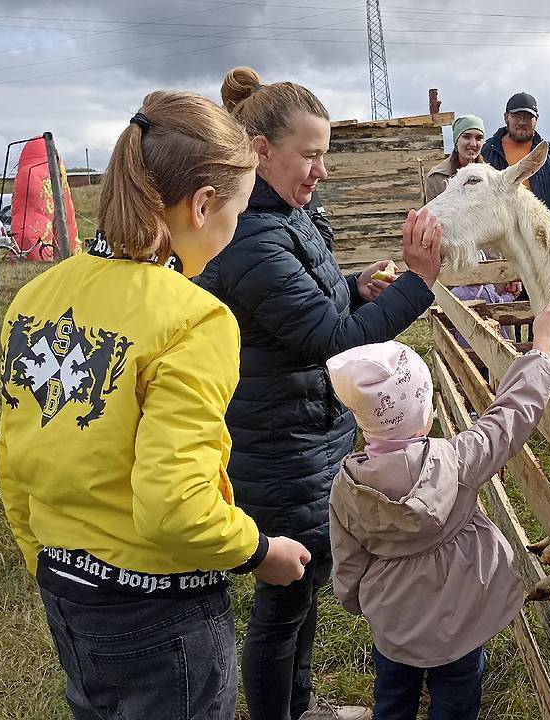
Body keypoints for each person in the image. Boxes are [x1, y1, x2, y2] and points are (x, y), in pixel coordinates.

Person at [0, 91, 314, 720]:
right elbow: (173, 506)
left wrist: (48, 563)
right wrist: (260, 552)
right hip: (163, 615)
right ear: (201, 205)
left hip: (68, 591)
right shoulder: (194, 318)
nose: (230, 236)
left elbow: (14, 460)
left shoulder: (36, 298)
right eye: (237, 214)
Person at [196, 67, 442, 720]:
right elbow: (330, 338)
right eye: (310, 155)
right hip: (276, 447)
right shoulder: (251, 234)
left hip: (306, 433)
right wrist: (420, 281)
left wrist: (357, 284)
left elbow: (317, 301)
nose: (321, 172)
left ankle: (300, 706)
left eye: (324, 155)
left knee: (302, 590)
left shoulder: (283, 215)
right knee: (282, 605)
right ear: (259, 152)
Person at [326, 302, 550, 720]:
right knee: (457, 703)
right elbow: (508, 418)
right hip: (460, 623)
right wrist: (541, 346)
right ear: (426, 415)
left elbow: (347, 564)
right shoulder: (457, 462)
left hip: (394, 629)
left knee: (392, 702)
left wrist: (361, 603)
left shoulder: (347, 489)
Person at [427, 115, 521, 337]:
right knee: (458, 329)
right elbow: (434, 225)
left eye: (479, 137)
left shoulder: (494, 177)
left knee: (497, 323)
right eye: (467, 136)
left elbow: (506, 225)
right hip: (454, 265)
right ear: (456, 140)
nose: (473, 143)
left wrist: (509, 272)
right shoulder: (438, 177)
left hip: (490, 264)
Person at [481, 92, 550, 243]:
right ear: (505, 117)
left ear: (537, 119)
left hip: (546, 242)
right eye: (516, 116)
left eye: (528, 117)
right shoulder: (486, 155)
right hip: (503, 244)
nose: (522, 122)